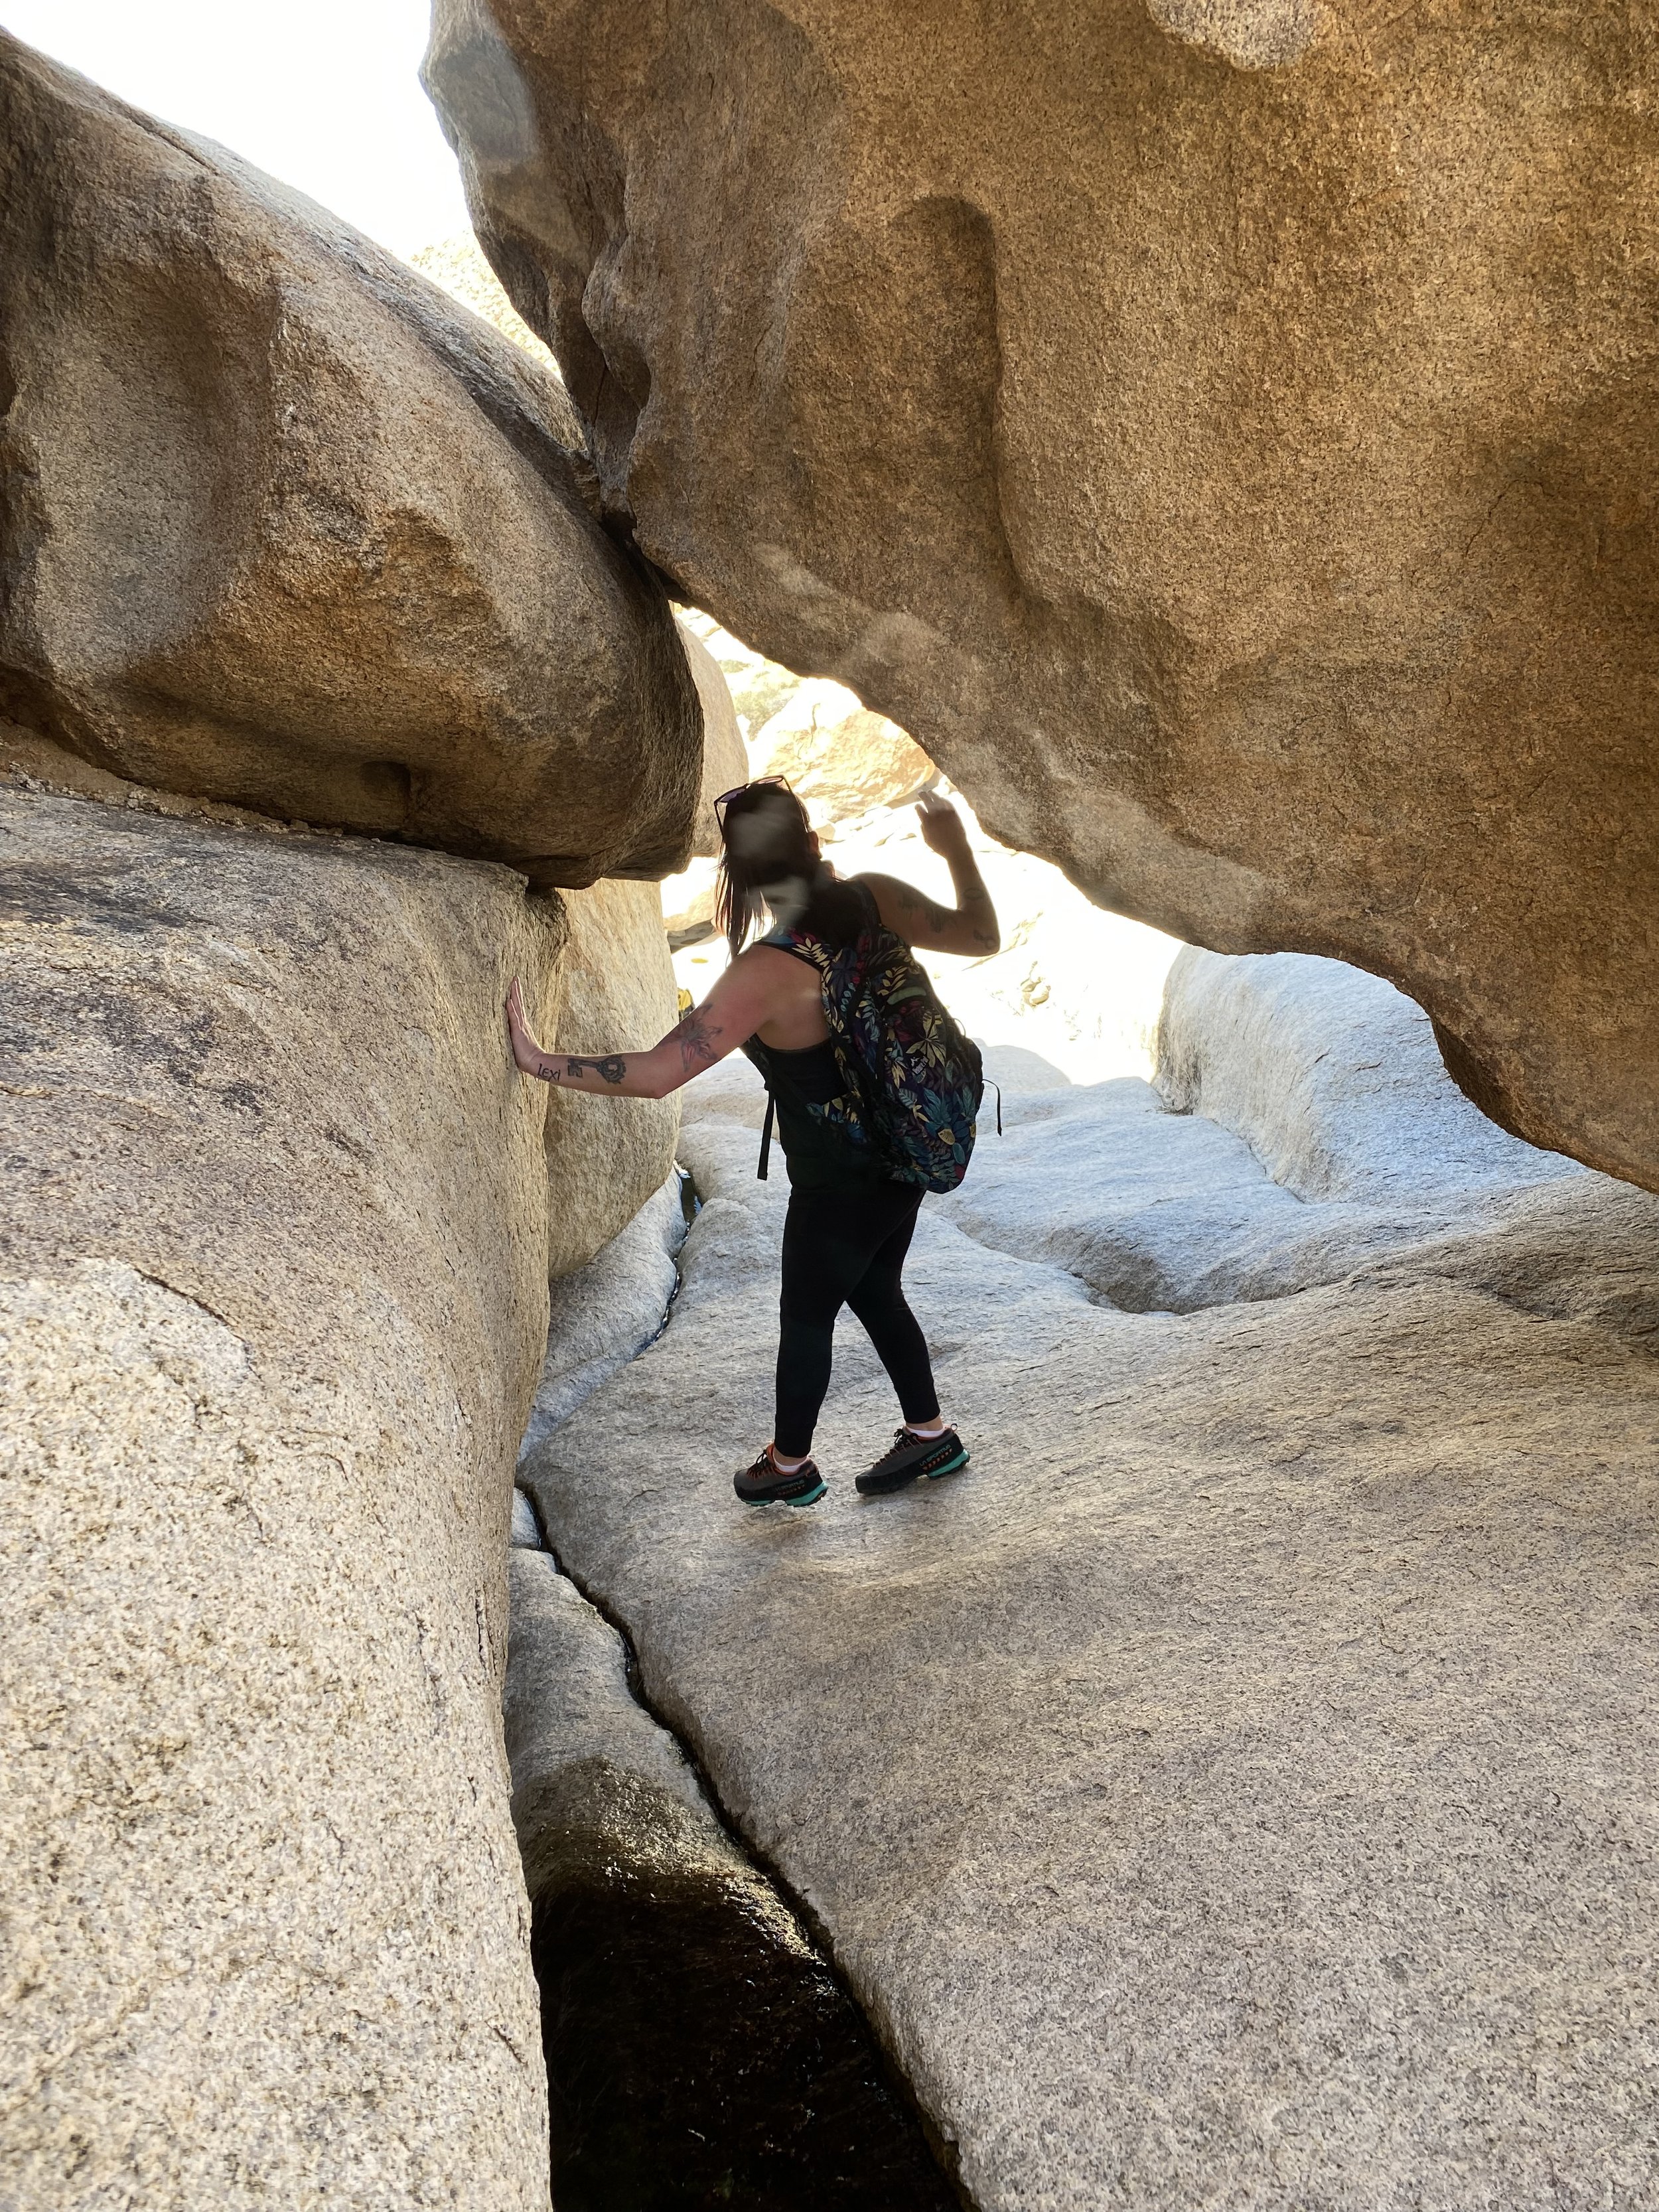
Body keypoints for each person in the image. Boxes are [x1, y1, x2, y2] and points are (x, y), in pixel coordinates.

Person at [505, 779, 999, 1507]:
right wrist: (956, 851)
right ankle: (929, 1436)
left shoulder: (763, 972)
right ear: (811, 844)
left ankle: (789, 1465)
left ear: (735, 877)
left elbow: (654, 1075)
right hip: (909, 1146)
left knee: (806, 1318)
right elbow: (982, 937)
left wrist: (538, 1060)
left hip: (838, 1182)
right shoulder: (874, 897)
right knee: (873, 1289)